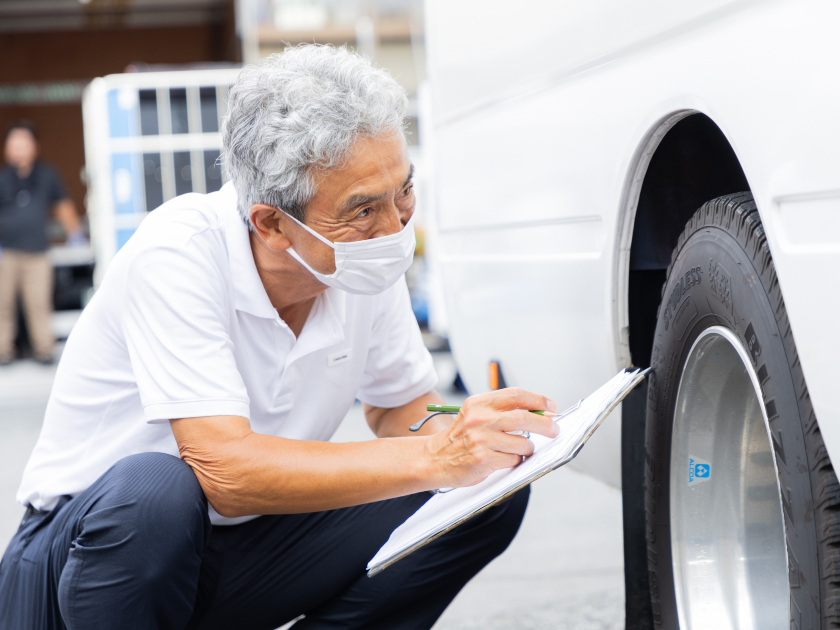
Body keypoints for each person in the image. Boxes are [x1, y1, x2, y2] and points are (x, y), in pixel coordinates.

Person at [0, 46, 559, 630]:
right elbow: (225, 472)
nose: (395, 228)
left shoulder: (359, 262)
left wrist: (471, 440)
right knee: (157, 490)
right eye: (363, 209)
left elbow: (401, 407)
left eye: (404, 193)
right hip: (94, 565)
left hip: (235, 551)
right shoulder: (178, 252)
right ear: (271, 224)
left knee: (487, 488)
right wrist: (438, 456)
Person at [0, 120, 86, 365]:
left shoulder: (47, 175)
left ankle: (43, 350)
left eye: (23, 142)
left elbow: (63, 206)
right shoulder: (2, 179)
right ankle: (3, 351)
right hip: (6, 253)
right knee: (2, 304)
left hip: (37, 252)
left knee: (39, 303)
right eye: (13, 143)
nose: (18, 148)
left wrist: (74, 233)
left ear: (34, 146)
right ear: (6, 147)